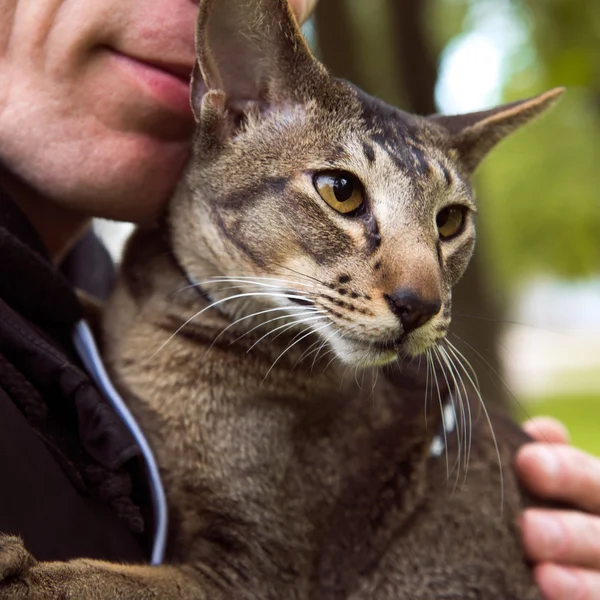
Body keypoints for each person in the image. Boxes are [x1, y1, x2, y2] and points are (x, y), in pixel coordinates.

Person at [0, 1, 598, 597]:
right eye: (343, 193)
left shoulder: (97, 289)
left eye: (446, 225)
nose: (417, 292)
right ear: (233, 111)